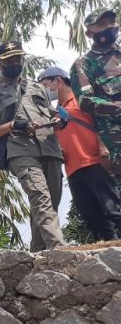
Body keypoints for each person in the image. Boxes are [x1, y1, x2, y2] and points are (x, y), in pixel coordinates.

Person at [0, 41, 65, 252]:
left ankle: (38, 255)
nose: (15, 62)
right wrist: (12, 125)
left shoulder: (37, 88)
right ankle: (60, 249)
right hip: (19, 150)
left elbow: (49, 113)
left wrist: (60, 119)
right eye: (9, 60)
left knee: (49, 203)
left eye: (18, 58)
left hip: (49, 147)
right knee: (40, 196)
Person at [39, 66, 121, 240]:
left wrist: (103, 146)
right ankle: (111, 248)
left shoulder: (80, 100)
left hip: (93, 161)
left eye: (45, 85)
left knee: (113, 208)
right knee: (91, 216)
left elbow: (100, 122)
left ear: (58, 80)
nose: (45, 91)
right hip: (72, 169)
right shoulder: (55, 113)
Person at [72, 8, 121, 168]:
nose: (109, 27)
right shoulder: (84, 64)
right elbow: (85, 100)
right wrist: (116, 108)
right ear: (89, 33)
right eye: (101, 24)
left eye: (111, 22)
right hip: (116, 140)